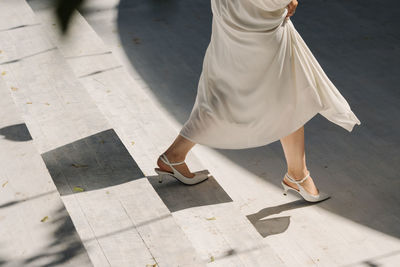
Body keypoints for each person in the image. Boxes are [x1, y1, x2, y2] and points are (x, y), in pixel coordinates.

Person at [155, 0, 361, 202]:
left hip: (231, 13)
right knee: (285, 91)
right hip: (257, 19)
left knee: (224, 89)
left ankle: (174, 155)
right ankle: (297, 175)